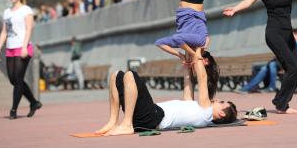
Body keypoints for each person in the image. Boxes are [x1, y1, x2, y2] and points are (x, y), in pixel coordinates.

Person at [223, 0, 297, 114]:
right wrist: (234, 9)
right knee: (292, 68)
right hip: (274, 34)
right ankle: (281, 104)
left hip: (288, 34)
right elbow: (247, 2)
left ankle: (282, 102)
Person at [94, 45, 237, 135]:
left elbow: (202, 78)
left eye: (222, 102)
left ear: (221, 113)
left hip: (153, 117)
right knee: (116, 75)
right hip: (147, 116)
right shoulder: (196, 108)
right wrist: (188, 58)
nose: (218, 99)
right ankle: (113, 121)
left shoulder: (206, 112)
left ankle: (127, 124)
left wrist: (198, 51)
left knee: (131, 75)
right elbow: (188, 79)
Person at [0, 0, 42, 119]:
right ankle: (34, 102)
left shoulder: (26, 10)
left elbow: (29, 29)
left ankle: (13, 110)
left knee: (18, 79)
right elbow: (4, 31)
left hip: (22, 47)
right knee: (13, 80)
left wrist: (25, 47)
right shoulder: (7, 12)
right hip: (10, 48)